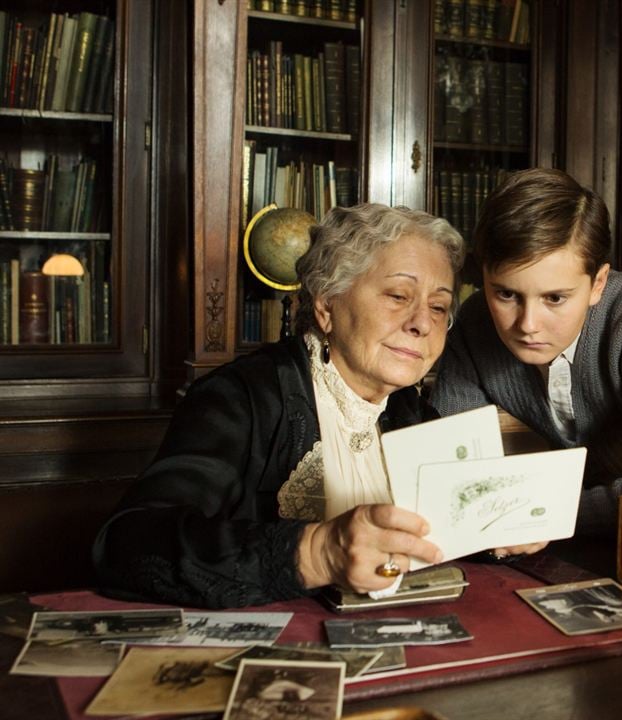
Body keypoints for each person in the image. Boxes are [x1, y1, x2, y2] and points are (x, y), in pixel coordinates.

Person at [94, 203, 532, 610]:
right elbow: (124, 545)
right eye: (398, 296)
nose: (422, 323)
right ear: (326, 306)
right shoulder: (239, 398)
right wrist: (316, 553)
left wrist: (501, 532)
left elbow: (440, 535)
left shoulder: (409, 410)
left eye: (439, 306)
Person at [430, 168, 622, 535]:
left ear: (598, 284)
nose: (528, 324)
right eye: (506, 294)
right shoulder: (473, 323)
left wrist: (531, 515)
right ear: (483, 277)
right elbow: (451, 470)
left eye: (555, 298)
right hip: (577, 487)